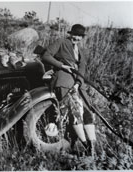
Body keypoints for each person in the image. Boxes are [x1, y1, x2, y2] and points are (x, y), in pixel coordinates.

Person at [41, 24, 96, 156]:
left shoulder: (81, 51)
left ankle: (92, 146)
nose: (76, 38)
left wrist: (78, 83)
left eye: (80, 36)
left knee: (88, 113)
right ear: (71, 34)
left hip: (78, 85)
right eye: (75, 35)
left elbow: (82, 70)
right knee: (75, 113)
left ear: (82, 37)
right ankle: (86, 146)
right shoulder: (61, 42)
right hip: (64, 81)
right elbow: (46, 56)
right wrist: (62, 66)